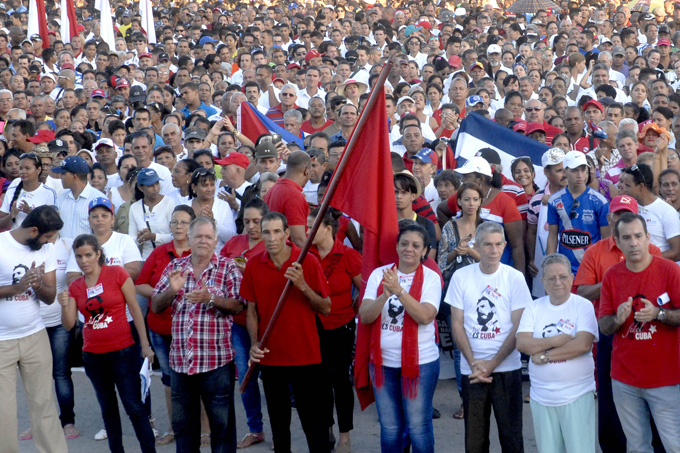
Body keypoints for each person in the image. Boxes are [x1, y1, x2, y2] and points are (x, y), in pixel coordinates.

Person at [574, 195, 663, 452]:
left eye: (627, 213)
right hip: (610, 330)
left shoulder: (652, 250)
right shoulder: (595, 251)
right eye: (617, 214)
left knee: (652, 394)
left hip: (648, 330)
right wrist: (616, 280)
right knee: (610, 397)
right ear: (610, 219)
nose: (621, 219)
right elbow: (582, 292)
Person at [151, 216, 245, 452]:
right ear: (189, 239)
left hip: (216, 361)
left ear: (215, 241)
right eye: (198, 236)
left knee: (222, 429)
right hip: (181, 363)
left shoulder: (228, 267)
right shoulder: (174, 267)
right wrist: (172, 291)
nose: (203, 241)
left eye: (208, 237)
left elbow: (238, 305)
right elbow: (155, 306)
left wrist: (211, 299)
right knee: (184, 428)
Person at [242, 212, 332, 453]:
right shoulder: (253, 264)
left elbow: (326, 307)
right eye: (266, 232)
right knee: (279, 427)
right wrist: (254, 342)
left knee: (314, 426)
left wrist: (302, 285)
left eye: (276, 232)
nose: (271, 238)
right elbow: (251, 310)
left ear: (286, 234)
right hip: (271, 358)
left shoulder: (307, 262)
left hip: (307, 357)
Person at [60, 233, 156, 453]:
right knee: (108, 411)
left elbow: (135, 309)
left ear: (98, 254)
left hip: (123, 351)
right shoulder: (76, 286)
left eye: (88, 255)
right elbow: (69, 325)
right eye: (79, 257)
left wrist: (144, 344)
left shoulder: (117, 273)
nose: (84, 261)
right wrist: (65, 305)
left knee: (134, 407)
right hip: (93, 356)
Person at [445, 221, 530, 453]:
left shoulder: (514, 278)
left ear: (504, 245)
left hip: (507, 369)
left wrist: (492, 364)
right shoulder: (461, 277)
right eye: (487, 245)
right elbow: (457, 324)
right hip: (472, 370)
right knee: (474, 441)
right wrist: (474, 364)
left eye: (498, 244)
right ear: (477, 246)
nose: (494, 250)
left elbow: (518, 327)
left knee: (512, 437)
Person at [599, 212, 680, 453]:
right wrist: (618, 319)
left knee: (675, 445)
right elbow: (604, 325)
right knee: (636, 447)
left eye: (638, 236)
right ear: (618, 241)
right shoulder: (612, 276)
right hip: (625, 380)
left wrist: (659, 314)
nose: (633, 242)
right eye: (627, 237)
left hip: (665, 379)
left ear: (648, 238)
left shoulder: (670, 271)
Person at [359, 222, 442, 453]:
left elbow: (425, 316)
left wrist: (398, 291)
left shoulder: (431, 278)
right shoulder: (380, 274)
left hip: (421, 364)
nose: (409, 249)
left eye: (416, 245)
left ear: (425, 250)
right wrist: (383, 296)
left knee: (418, 426)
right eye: (404, 243)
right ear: (396, 246)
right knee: (390, 427)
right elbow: (365, 316)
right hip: (383, 364)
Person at [0, 206, 68, 453]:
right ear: (33, 230)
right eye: (48, 237)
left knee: (44, 405)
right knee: (3, 412)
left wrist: (38, 285)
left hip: (35, 335)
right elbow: (15, 289)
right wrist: (15, 289)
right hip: (2, 341)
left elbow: (50, 297)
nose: (51, 242)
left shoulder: (47, 249)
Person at [516, 253, 598, 453]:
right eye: (551, 278)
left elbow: (583, 345)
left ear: (572, 278)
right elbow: (522, 343)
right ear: (543, 282)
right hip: (542, 397)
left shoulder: (583, 306)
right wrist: (556, 340)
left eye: (562, 277)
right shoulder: (533, 308)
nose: (557, 282)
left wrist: (544, 356)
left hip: (576, 395)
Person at [136, 205, 195, 447]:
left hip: (192, 328)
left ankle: (203, 431)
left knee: (197, 378)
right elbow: (139, 284)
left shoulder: (199, 252)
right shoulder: (160, 252)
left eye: (183, 222)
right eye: (175, 222)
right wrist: (165, 293)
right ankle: (175, 428)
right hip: (162, 327)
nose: (179, 227)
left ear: (192, 226)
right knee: (171, 381)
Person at [308, 208, 362, 453]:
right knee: (318, 383)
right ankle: (326, 429)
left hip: (341, 326)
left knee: (340, 381)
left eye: (312, 227)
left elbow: (364, 289)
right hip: (312, 326)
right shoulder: (305, 254)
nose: (307, 232)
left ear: (328, 229)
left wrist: (352, 310)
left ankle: (345, 436)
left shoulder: (348, 255)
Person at [219, 198, 268, 449]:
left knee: (272, 379)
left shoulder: (273, 244)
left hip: (268, 322)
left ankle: (280, 430)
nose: (251, 226)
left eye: (256, 221)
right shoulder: (233, 244)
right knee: (246, 377)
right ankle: (255, 429)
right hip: (239, 321)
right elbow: (219, 272)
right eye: (246, 221)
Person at [437, 182, 484, 419]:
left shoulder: (488, 227)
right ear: (460, 202)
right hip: (455, 295)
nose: (471, 204)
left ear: (480, 201)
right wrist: (457, 251)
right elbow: (440, 263)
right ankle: (465, 399)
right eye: (467, 199)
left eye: (475, 199)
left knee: (482, 344)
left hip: (484, 296)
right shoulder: (449, 227)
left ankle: (482, 396)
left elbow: (494, 261)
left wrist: (473, 252)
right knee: (459, 348)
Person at [547, 151, 610, 274]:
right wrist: (550, 267)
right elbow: (552, 236)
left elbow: (607, 239)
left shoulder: (600, 201)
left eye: (583, 169)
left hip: (592, 269)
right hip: (565, 269)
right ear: (565, 172)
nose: (580, 175)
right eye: (575, 170)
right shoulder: (554, 201)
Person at [263, 150, 311, 248]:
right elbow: (298, 239)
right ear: (306, 170)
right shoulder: (293, 195)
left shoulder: (274, 188)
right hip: (289, 257)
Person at [129, 168, 177, 259]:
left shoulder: (169, 203)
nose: (155, 188)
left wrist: (154, 237)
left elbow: (175, 236)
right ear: (141, 188)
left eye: (157, 183)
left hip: (167, 257)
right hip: (147, 259)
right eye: (150, 185)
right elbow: (131, 240)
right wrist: (140, 238)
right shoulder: (135, 208)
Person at [186, 167, 237, 253]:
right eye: (205, 185)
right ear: (194, 187)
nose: (210, 189)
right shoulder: (185, 206)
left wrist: (213, 222)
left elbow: (231, 238)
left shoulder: (223, 206)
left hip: (218, 256)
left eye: (212, 184)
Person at [0, 153, 56, 230]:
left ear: (38, 170)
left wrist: (31, 213)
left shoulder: (48, 193)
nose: (23, 172)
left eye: (27, 168)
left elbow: (51, 224)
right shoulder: (11, 191)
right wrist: (11, 216)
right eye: (21, 168)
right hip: (15, 239)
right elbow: (1, 224)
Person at [53, 156, 102, 238]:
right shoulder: (61, 199)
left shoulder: (97, 199)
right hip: (63, 250)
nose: (60, 177)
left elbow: (102, 233)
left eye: (64, 174)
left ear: (75, 176)